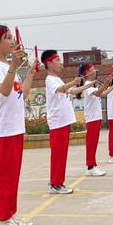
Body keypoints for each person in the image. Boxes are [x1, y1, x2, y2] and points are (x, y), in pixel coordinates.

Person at [0, 24, 37, 225]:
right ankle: (3, 218)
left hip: (15, 128)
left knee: (13, 176)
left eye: (12, 37)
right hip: (4, 130)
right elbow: (4, 91)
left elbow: (22, 93)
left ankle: (10, 214)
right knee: (4, 177)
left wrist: (29, 72)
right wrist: (14, 65)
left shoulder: (7, 68)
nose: (12, 41)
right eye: (7, 37)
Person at [41, 50, 94, 194]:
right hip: (57, 122)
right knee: (58, 154)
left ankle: (59, 182)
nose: (60, 63)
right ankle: (55, 184)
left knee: (62, 154)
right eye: (57, 60)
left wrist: (87, 85)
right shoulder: (50, 80)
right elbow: (61, 89)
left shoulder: (57, 79)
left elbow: (71, 90)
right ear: (49, 63)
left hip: (64, 121)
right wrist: (73, 82)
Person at [78, 62, 113, 177]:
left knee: (94, 143)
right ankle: (90, 166)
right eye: (92, 69)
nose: (95, 71)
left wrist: (109, 85)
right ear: (87, 73)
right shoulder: (88, 84)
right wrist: (106, 83)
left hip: (96, 118)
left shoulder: (92, 85)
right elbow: (98, 93)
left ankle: (93, 165)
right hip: (92, 118)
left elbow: (102, 93)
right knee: (91, 143)